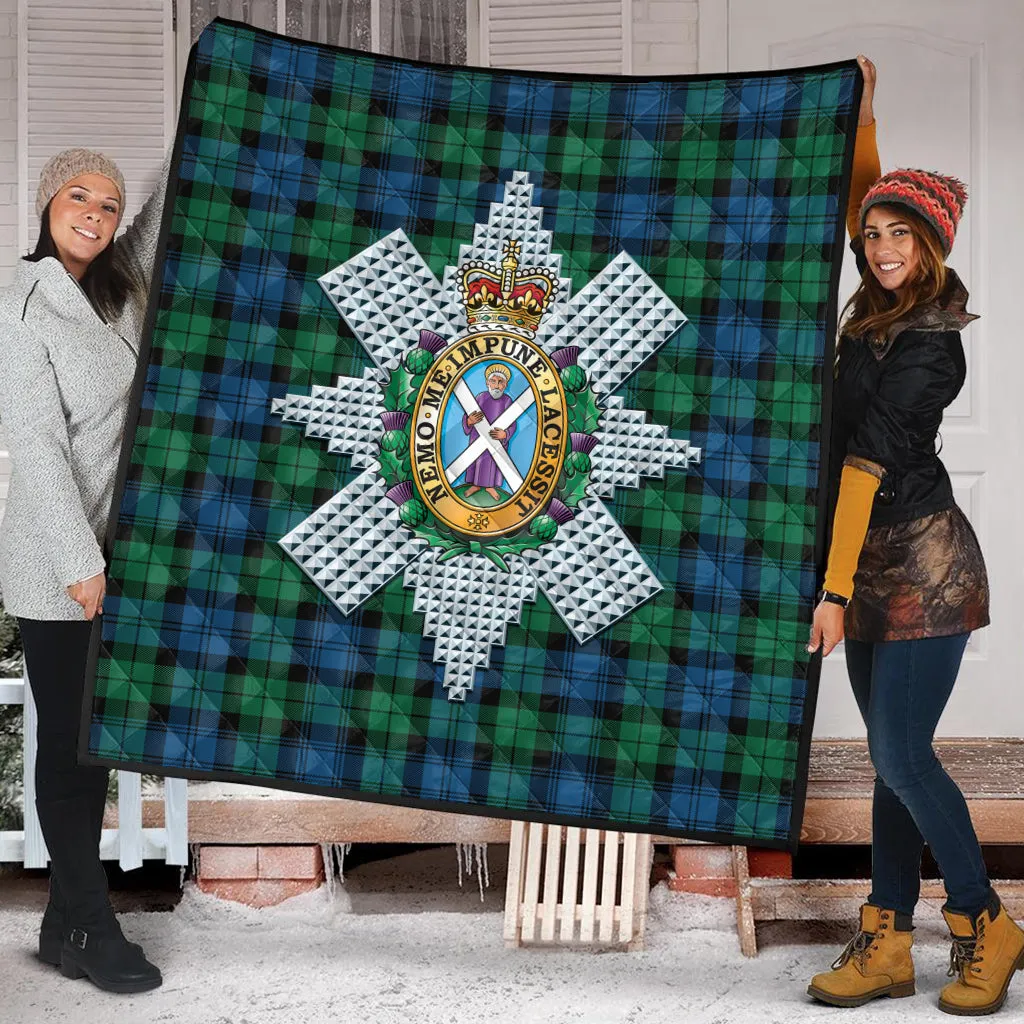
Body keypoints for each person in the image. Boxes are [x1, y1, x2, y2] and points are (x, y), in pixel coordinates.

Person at [805, 57, 1024, 1015]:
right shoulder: (875, 308)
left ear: (932, 245)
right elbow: (865, 193)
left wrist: (835, 590)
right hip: (867, 563)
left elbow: (866, 465)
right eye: (875, 235)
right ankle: (888, 938)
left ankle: (986, 922)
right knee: (894, 760)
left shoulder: (930, 340)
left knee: (900, 758)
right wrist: (864, 111)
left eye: (903, 235)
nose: (884, 246)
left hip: (923, 573)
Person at [0, 147, 168, 993]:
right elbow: (33, 446)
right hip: (58, 562)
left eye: (108, 204)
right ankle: (93, 931)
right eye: (79, 198)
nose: (96, 215)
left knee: (92, 746)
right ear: (45, 203)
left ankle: (57, 924)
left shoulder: (117, 287)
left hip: (111, 554)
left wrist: (213, 70)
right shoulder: (20, 303)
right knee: (69, 751)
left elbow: (169, 199)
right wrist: (79, 563)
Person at [462, 363, 516, 500]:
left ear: (505, 385)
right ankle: (475, 485)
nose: (497, 385)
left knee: (493, 462)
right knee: (478, 461)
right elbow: (468, 414)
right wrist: (469, 421)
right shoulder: (481, 397)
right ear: (487, 383)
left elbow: (512, 422)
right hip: (477, 439)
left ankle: (490, 487)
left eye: (500, 382)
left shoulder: (507, 401)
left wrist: (505, 434)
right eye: (493, 381)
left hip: (497, 441)